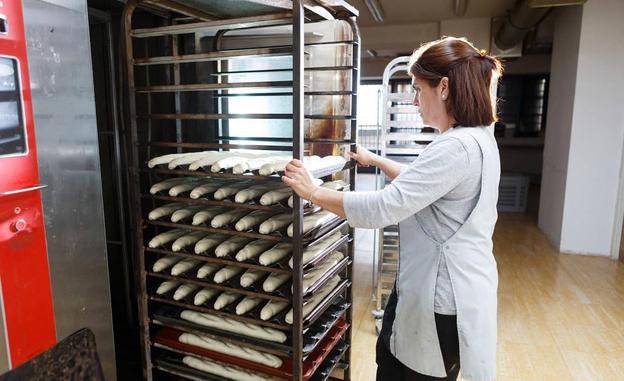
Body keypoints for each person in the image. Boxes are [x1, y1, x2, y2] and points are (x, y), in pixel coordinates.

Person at [282, 37, 503, 381]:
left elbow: (384, 208)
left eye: (417, 89)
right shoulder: (478, 137)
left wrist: (313, 191)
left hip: (438, 296)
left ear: (443, 87)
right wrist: (375, 161)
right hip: (453, 286)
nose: (415, 101)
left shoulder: (456, 147)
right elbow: (423, 184)